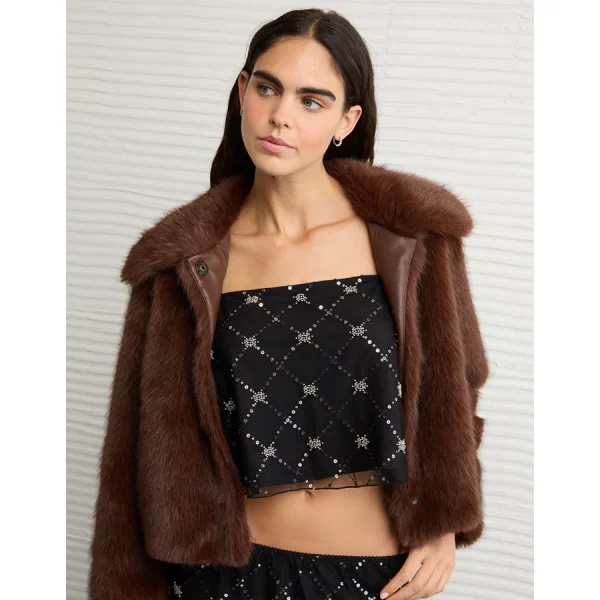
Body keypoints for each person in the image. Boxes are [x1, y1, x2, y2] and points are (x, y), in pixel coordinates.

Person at [87, 8, 489, 600]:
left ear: (347, 120)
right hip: (219, 579)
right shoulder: (180, 264)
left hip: (366, 576)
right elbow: (132, 451)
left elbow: (459, 385)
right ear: (242, 90)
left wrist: (442, 520)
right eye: (268, 88)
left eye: (312, 100)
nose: (280, 115)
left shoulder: (413, 238)